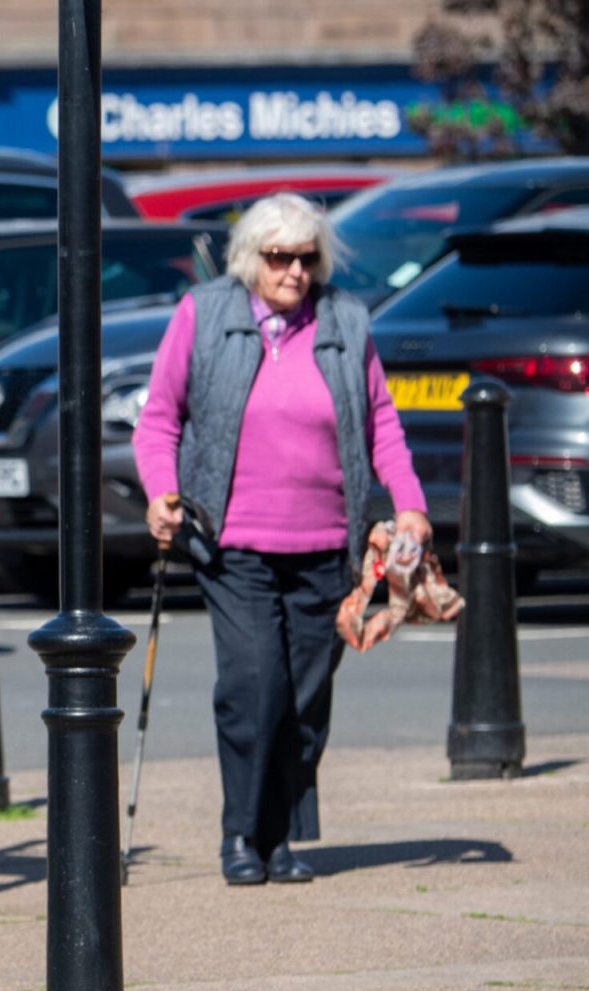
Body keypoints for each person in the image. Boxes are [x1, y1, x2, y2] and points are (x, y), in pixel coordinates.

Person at [132, 193, 429, 887]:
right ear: (249, 259)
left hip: (330, 544)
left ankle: (283, 837)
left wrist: (409, 505)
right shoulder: (203, 316)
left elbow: (381, 421)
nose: (295, 271)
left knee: (305, 698)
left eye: (306, 258)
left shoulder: (346, 320)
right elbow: (159, 421)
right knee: (253, 683)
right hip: (231, 541)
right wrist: (159, 491)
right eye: (279, 257)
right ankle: (241, 832)